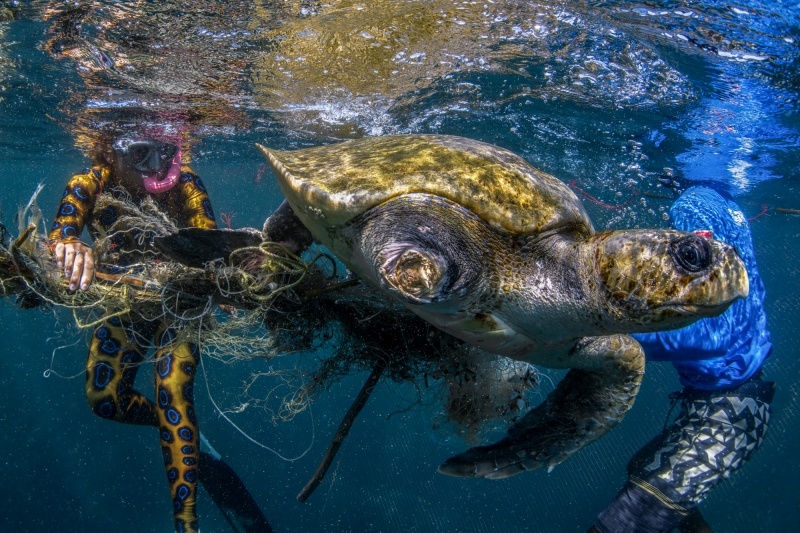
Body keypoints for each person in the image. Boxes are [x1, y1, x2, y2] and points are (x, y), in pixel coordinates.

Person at [48, 131, 271, 533]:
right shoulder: (88, 183)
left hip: (181, 302)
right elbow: (63, 230)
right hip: (126, 301)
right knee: (105, 399)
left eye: (166, 152)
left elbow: (206, 238)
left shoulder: (186, 183)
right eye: (140, 153)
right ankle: (176, 429)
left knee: (174, 394)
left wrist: (223, 272)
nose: (156, 166)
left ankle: (186, 523)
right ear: (112, 152)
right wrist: (68, 244)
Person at [588, 186, 774, 533]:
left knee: (623, 522)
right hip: (737, 404)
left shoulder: (692, 205)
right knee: (643, 471)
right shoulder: (727, 208)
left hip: (727, 416)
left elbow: (710, 334)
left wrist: (599, 330)